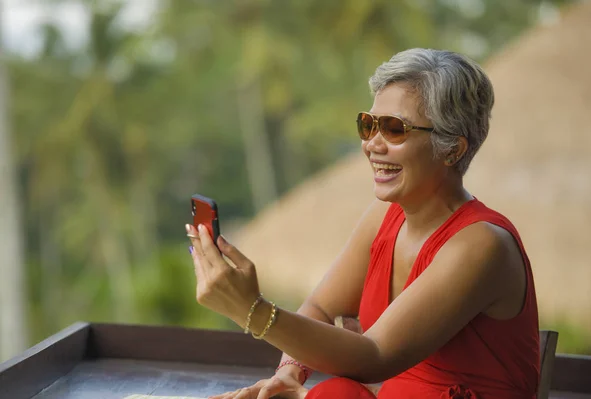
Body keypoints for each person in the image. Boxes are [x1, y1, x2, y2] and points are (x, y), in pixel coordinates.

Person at [185, 48, 540, 399]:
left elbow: (376, 356)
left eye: (393, 129)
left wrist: (252, 311)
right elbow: (321, 308)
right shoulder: (384, 217)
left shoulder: (481, 244)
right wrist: (290, 372)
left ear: (452, 149)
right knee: (332, 393)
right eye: (368, 125)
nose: (372, 144)